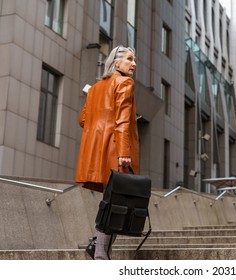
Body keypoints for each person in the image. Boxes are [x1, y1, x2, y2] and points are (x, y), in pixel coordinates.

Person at [75, 45, 139, 260]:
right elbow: (121, 120)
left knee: (112, 200)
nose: (134, 64)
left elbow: (83, 120)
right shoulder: (125, 83)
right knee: (117, 203)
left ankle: (99, 246)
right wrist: (123, 152)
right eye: (129, 59)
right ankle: (101, 253)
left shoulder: (94, 89)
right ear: (116, 62)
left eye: (134, 59)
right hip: (115, 151)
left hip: (96, 153)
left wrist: (94, 106)